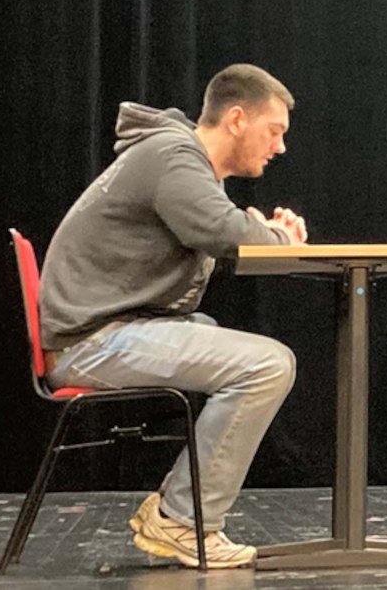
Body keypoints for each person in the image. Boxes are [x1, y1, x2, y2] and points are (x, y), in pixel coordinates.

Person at [39, 64, 309, 568]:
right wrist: (279, 239)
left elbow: (223, 228)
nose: (280, 147)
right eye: (274, 132)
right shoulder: (173, 156)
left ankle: (180, 512)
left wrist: (260, 235)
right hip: (90, 343)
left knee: (225, 342)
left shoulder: (179, 158)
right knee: (267, 364)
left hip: (101, 331)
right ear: (236, 120)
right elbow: (225, 234)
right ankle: (181, 520)